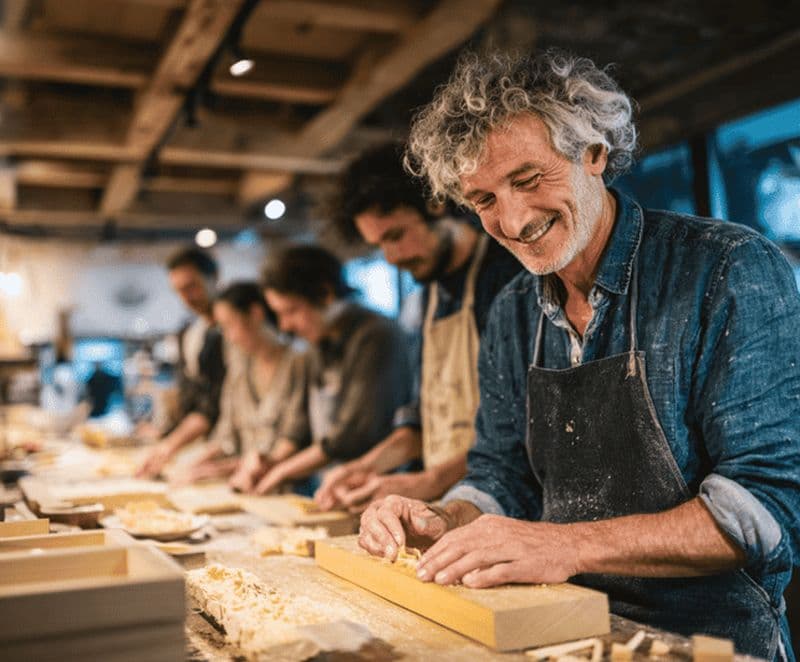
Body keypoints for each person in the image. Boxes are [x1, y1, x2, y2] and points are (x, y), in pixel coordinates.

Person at [358, 50, 800, 660]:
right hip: (555, 628)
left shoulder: (725, 268)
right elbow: (501, 474)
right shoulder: (514, 310)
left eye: (528, 179)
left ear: (593, 153)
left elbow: (768, 505)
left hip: (712, 639)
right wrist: (444, 517)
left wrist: (564, 544)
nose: (512, 220)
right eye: (484, 200)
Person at [315, 143, 521, 512]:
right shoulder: (426, 299)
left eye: (395, 236)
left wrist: (428, 481)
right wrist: (363, 468)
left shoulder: (508, 281)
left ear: (436, 205)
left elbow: (521, 429)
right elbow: (419, 422)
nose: (392, 258)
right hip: (443, 505)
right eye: (379, 245)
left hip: (502, 508)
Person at [246, 243, 412, 495]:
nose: (285, 325)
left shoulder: (377, 335)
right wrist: (271, 462)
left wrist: (283, 471)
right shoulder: (316, 343)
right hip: (332, 487)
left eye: (291, 311)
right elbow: (299, 424)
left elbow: (352, 435)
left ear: (325, 293)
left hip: (380, 488)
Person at [171, 282, 309, 489]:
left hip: (289, 490)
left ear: (255, 314)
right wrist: (197, 463)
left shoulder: (298, 362)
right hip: (246, 487)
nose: (228, 336)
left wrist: (224, 468)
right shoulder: (240, 369)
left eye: (229, 325)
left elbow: (293, 439)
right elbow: (226, 435)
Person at [137, 248, 225, 478]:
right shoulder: (188, 333)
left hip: (230, 449)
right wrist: (165, 435)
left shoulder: (231, 333)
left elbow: (213, 403)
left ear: (214, 276)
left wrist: (171, 444)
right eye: (179, 291)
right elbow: (190, 398)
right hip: (203, 447)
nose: (186, 297)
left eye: (192, 286)